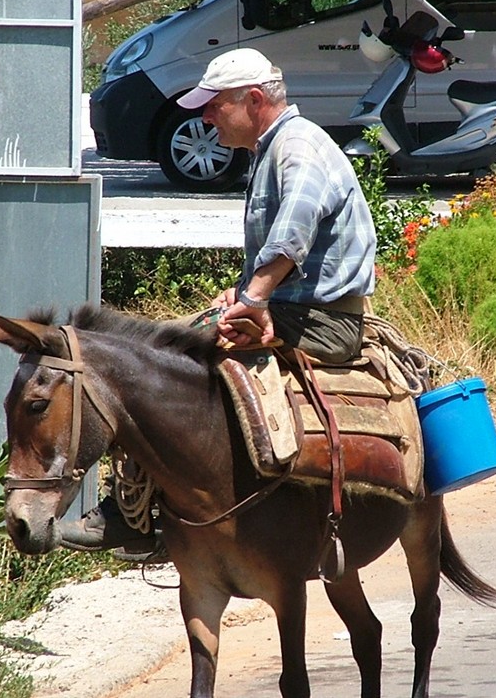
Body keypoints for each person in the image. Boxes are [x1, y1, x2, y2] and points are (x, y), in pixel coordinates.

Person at [59, 48, 378, 556]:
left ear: (253, 100)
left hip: (321, 322)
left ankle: (136, 515)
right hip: (293, 308)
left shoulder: (298, 148)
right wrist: (247, 289)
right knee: (152, 350)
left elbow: (294, 231)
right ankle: (157, 507)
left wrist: (254, 296)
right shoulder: (273, 149)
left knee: (151, 367)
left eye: (214, 105)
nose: (204, 115)